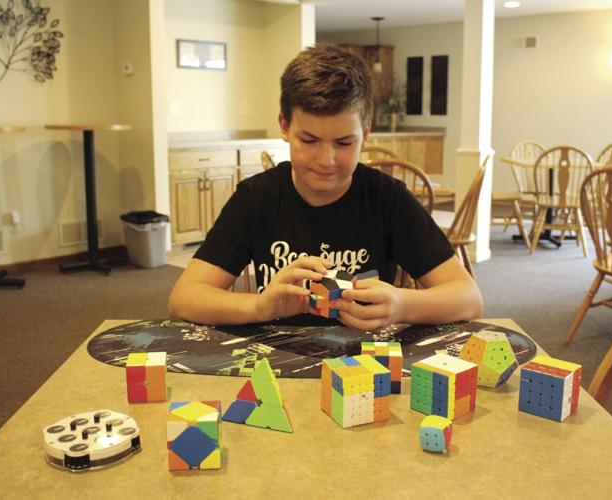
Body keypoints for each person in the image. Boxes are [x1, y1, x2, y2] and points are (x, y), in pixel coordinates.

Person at [168, 44, 483, 330]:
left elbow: (468, 297)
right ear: (284, 126)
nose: (326, 160)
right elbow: (184, 298)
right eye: (309, 140)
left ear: (366, 135)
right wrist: (259, 306)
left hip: (363, 366)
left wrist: (401, 304)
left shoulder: (388, 199)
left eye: (344, 142)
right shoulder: (255, 199)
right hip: (276, 368)